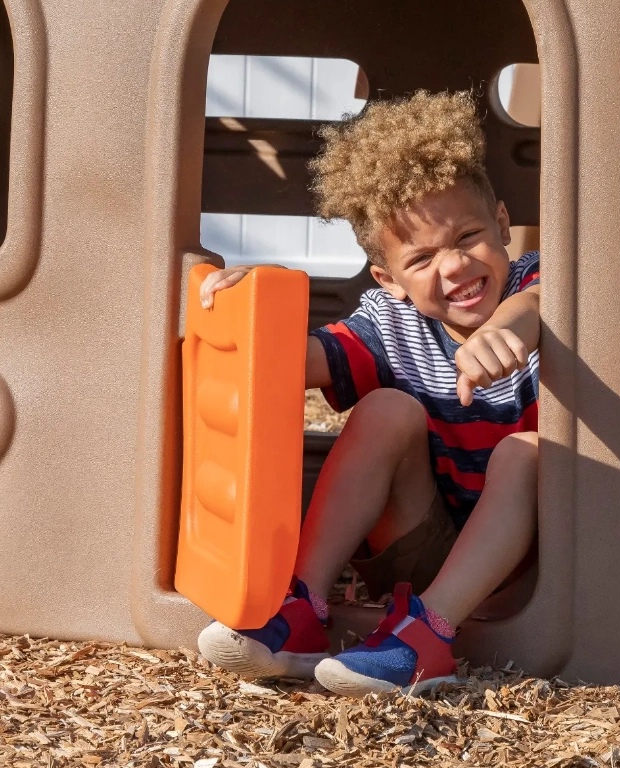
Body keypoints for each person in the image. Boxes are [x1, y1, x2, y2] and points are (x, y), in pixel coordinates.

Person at [196, 90, 540, 697]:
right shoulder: (390, 322)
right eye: (423, 257)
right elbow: (291, 362)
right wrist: (246, 308)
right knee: (384, 408)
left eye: (468, 236)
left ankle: (426, 639)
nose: (455, 266)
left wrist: (509, 328)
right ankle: (301, 610)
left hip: (535, 564)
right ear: (389, 279)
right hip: (426, 550)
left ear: (505, 224)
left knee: (527, 452)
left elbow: (544, 302)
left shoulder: (538, 284)